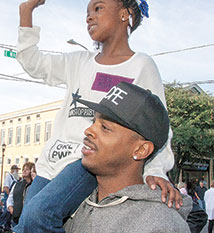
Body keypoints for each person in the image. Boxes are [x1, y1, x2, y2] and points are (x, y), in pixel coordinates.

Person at [15, 0, 181, 232]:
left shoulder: (141, 64)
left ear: (124, 15)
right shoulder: (78, 61)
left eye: (98, 8)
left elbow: (158, 123)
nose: (89, 17)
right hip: (52, 160)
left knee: (37, 217)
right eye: (87, 13)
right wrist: (25, 14)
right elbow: (33, 63)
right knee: (25, 224)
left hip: (88, 160)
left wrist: (156, 170)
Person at [63, 82, 192, 233]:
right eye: (93, 122)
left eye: (105, 128)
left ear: (141, 150)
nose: (88, 131)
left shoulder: (160, 224)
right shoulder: (72, 202)